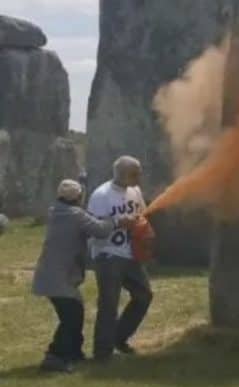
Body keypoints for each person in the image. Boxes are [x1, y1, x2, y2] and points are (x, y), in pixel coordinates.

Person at [31, 180, 135, 373]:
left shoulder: (56, 211)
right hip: (59, 276)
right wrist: (117, 221)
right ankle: (55, 357)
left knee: (75, 313)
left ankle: (74, 353)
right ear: (78, 197)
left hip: (51, 274)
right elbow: (101, 230)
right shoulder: (75, 215)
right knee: (71, 317)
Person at [88, 156, 153, 362]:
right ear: (121, 174)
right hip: (108, 254)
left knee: (144, 295)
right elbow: (94, 228)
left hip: (130, 253)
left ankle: (118, 337)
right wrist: (117, 222)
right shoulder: (101, 195)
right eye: (135, 173)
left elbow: (141, 214)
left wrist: (142, 228)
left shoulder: (135, 191)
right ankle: (102, 352)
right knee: (109, 303)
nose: (139, 177)